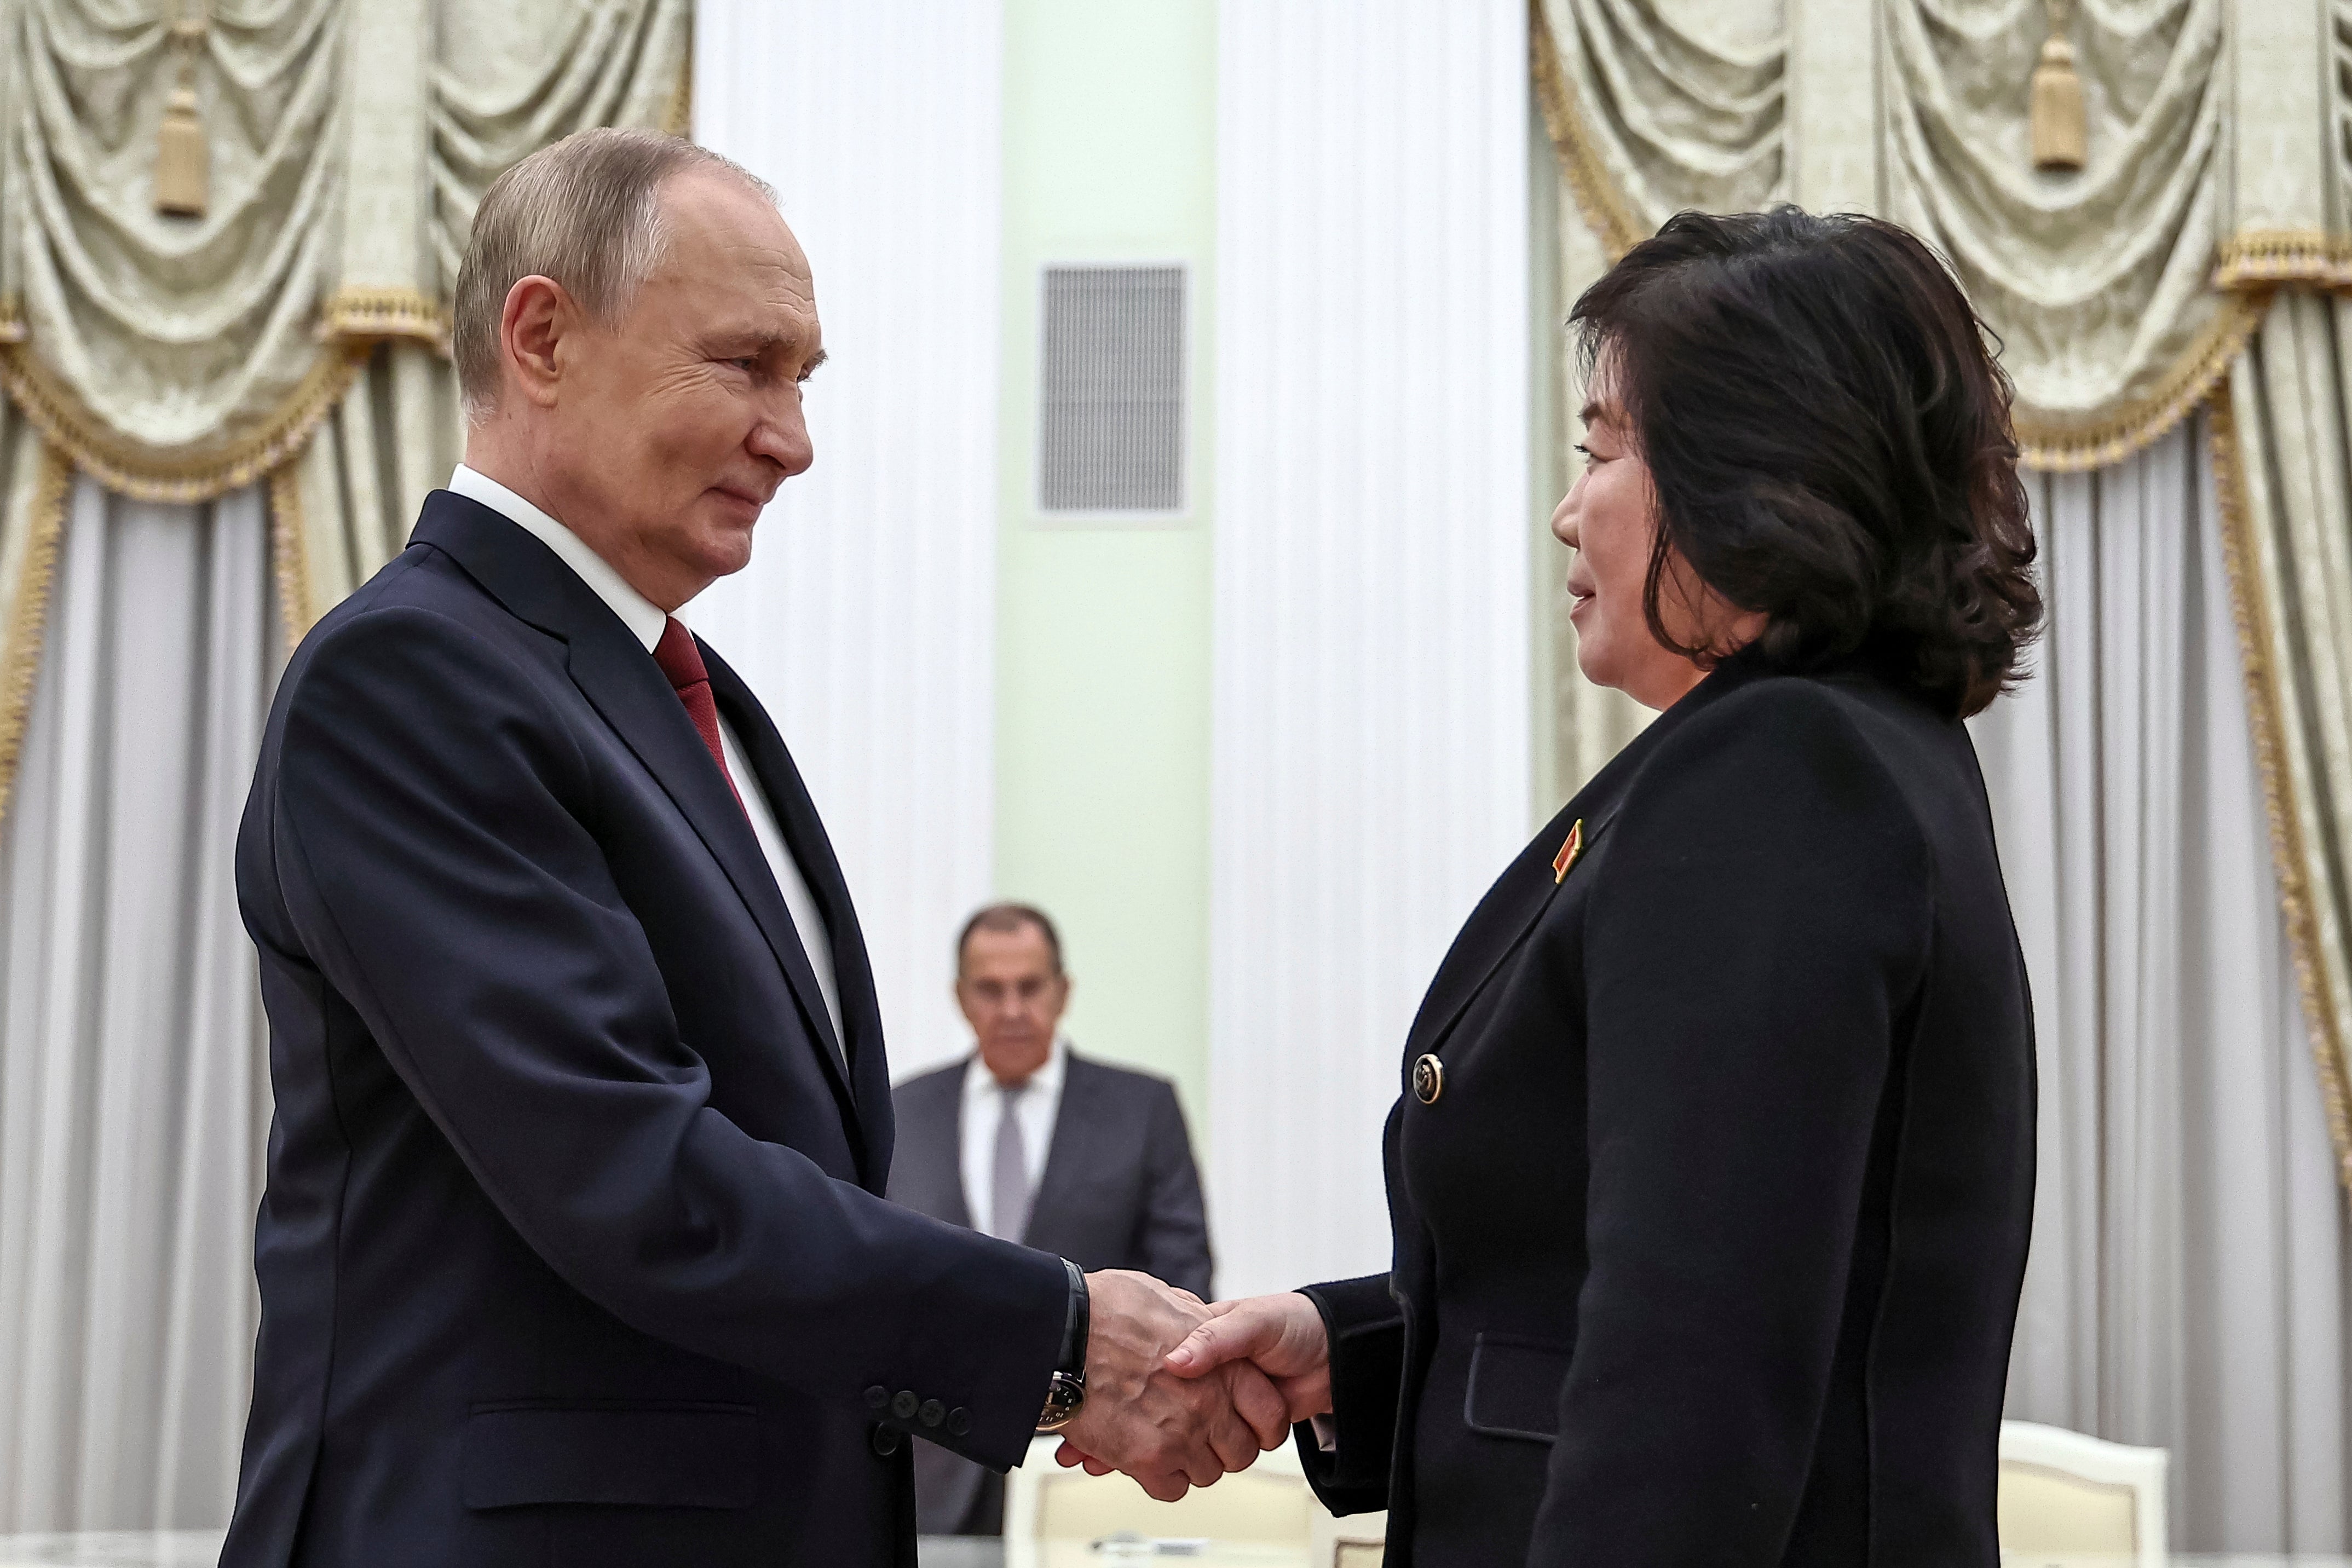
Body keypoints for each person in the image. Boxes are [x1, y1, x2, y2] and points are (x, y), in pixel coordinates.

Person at [219, 128, 1283, 1568]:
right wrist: (1063, 1340)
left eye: (804, 378)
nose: (795, 436)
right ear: (543, 337)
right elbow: (634, 1176)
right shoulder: (409, 679)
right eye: (747, 364)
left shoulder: (700, 706)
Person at [1153, 207, 2045, 1566]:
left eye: (1603, 450)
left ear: (1750, 469)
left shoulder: (1775, 772)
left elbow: (1693, 1381)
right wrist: (1358, 1347)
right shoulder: (1853, 751)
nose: (1569, 507)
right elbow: (1688, 1283)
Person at [891, 903, 1214, 1533]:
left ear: (1062, 991)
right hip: (928, 1474)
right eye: (990, 988)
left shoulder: (1142, 1110)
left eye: (1030, 986)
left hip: (1086, 1473)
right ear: (961, 997)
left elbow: (1185, 1292)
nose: (1012, 1008)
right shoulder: (902, 1114)